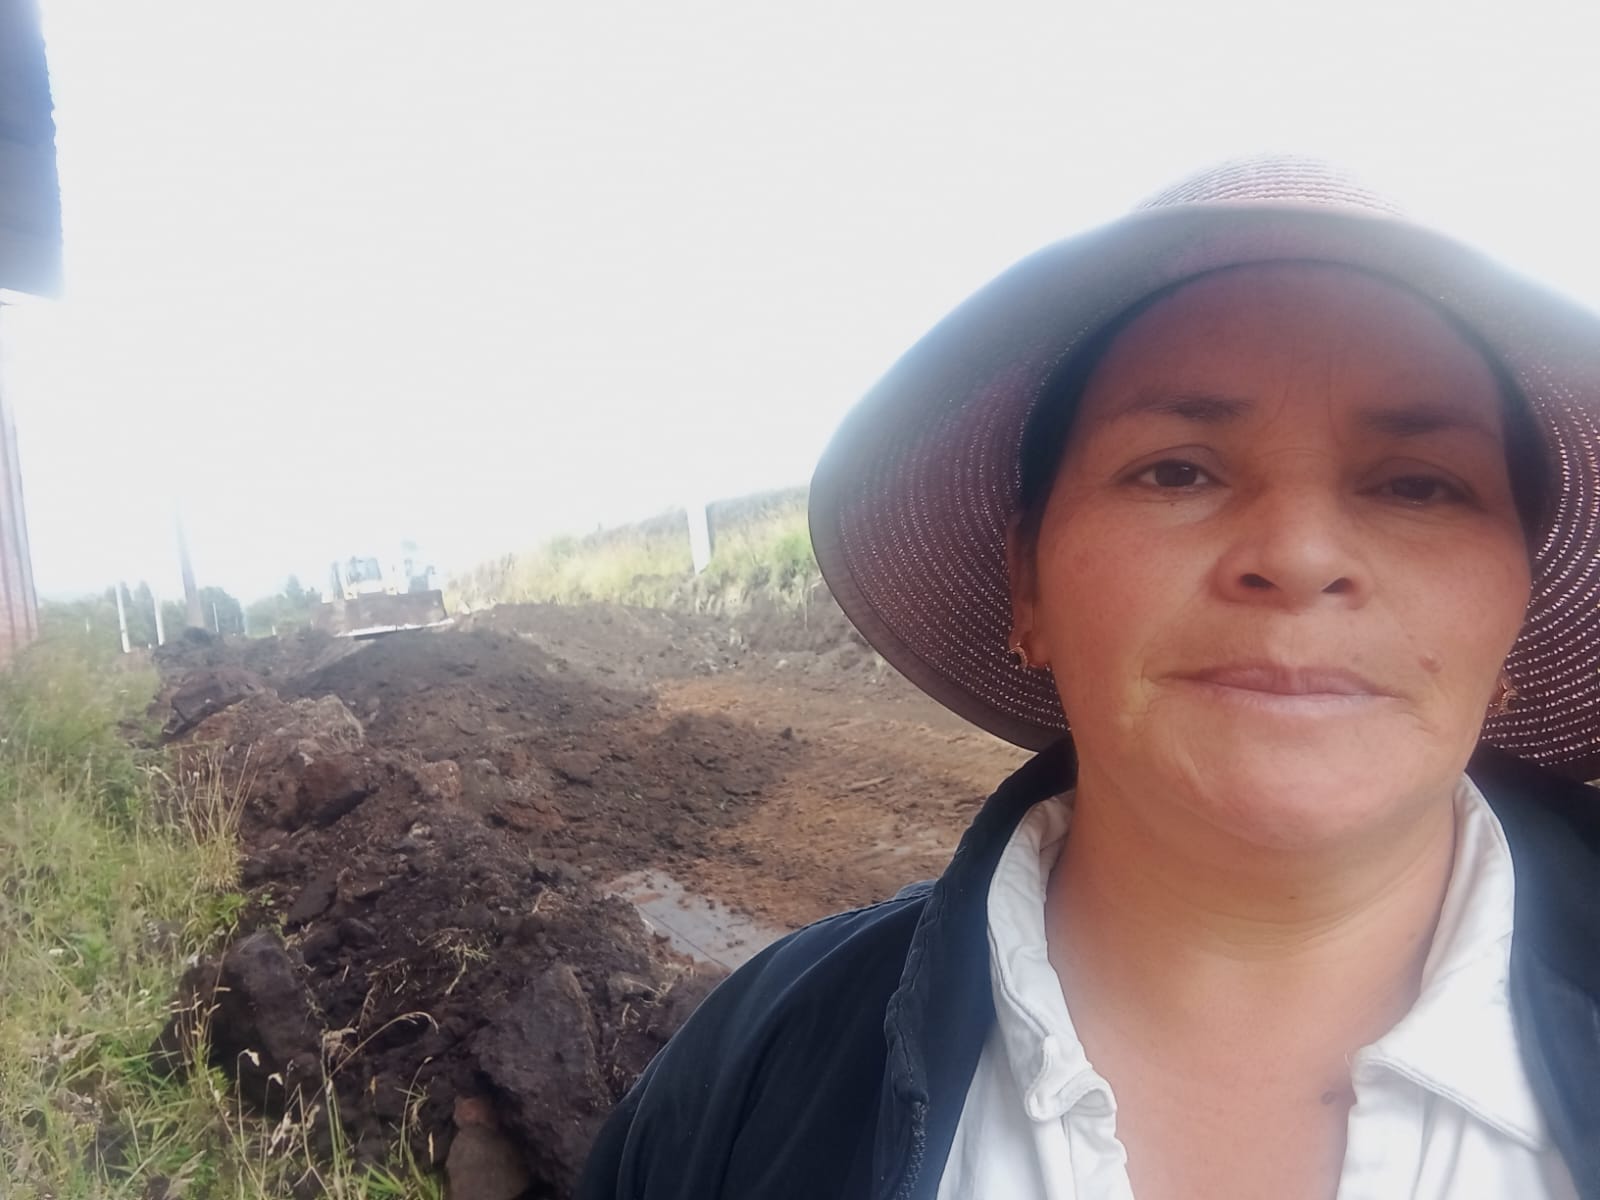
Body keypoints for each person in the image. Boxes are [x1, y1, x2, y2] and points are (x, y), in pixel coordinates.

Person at [578, 158, 1600, 1199]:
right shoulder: (754, 1077)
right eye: (1177, 469)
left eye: (1417, 486)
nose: (1298, 554)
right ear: (1028, 583)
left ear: (1516, 613)